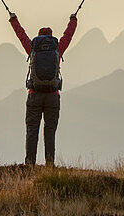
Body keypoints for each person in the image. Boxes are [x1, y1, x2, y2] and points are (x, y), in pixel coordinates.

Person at [9, 12, 77, 166]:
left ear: (38, 37)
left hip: (34, 95)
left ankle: (30, 164)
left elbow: (21, 35)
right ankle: (49, 164)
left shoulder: (33, 48)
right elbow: (69, 35)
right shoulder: (57, 49)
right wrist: (73, 20)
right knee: (50, 131)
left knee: (32, 130)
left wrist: (14, 20)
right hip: (53, 96)